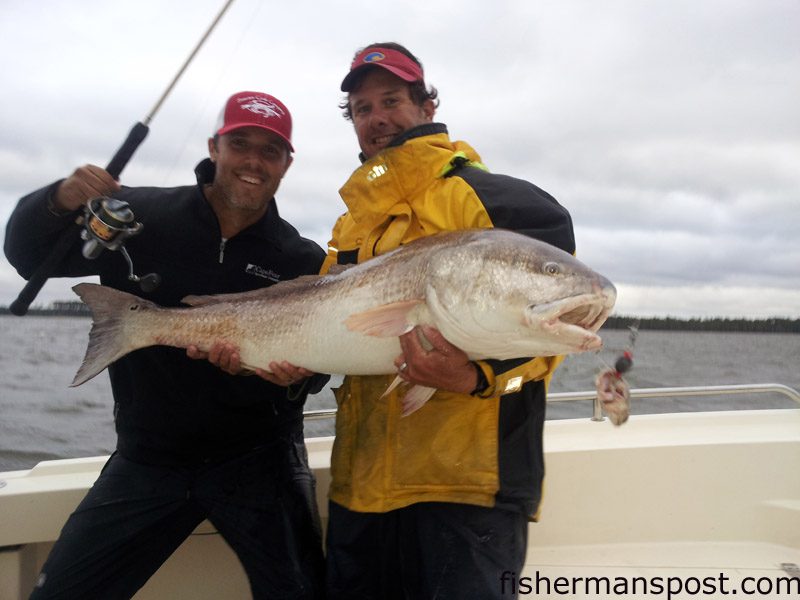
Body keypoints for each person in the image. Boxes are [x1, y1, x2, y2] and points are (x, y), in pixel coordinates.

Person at [4, 91, 326, 599]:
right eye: (240, 143)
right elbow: (27, 256)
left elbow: (317, 365)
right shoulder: (139, 215)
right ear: (214, 147)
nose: (253, 161)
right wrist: (57, 198)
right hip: (148, 458)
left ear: (287, 163)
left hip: (261, 462)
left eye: (270, 150)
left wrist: (296, 378)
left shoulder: (300, 255)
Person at [322, 43, 577, 599]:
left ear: (426, 105)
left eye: (391, 99)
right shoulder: (351, 225)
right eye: (362, 109)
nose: (377, 118)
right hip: (361, 487)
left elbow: (550, 339)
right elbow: (322, 329)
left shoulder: (499, 204)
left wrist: (476, 377)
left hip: (466, 490)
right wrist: (279, 366)